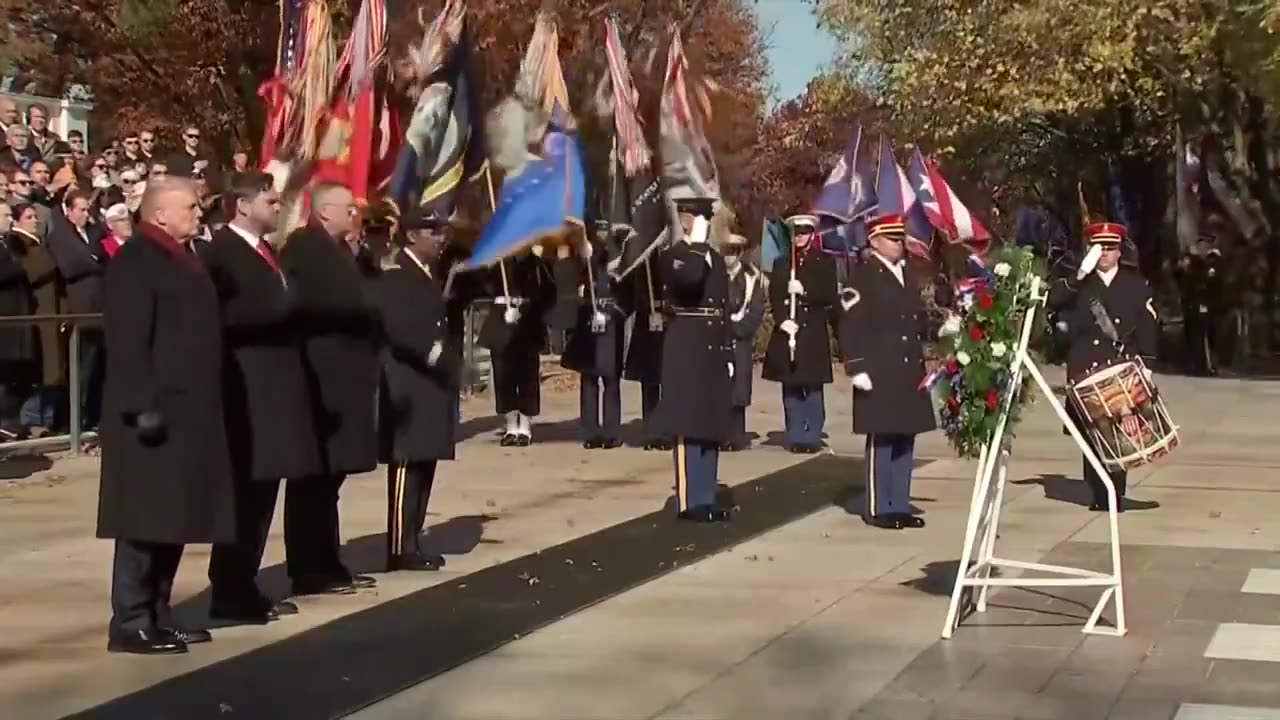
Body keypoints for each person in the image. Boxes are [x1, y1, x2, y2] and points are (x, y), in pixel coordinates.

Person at [96, 177, 234, 654]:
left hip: (187, 411)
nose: (199, 212)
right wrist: (141, 405)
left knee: (172, 518)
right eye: (191, 207)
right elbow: (129, 340)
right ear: (159, 215)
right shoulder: (137, 261)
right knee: (143, 519)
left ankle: (157, 611)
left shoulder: (184, 256)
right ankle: (130, 618)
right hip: (151, 414)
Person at [199, 172, 322, 622]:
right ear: (242, 205)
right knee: (245, 492)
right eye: (270, 200)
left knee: (263, 490)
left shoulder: (265, 250)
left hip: (276, 386)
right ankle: (229, 588)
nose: (278, 206)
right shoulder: (221, 254)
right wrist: (282, 311)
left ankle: (243, 581)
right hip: (247, 387)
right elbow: (220, 317)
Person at [279, 181, 379, 596]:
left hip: (345, 380)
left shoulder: (340, 250)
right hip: (322, 378)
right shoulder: (304, 249)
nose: (355, 216)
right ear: (324, 212)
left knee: (330, 479)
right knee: (313, 479)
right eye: (348, 209)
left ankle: (327, 558)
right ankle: (308, 565)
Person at [370, 207, 461, 572]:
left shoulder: (425, 274)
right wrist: (438, 356)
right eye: (431, 232)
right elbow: (401, 328)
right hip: (408, 383)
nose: (439, 239)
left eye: (440, 232)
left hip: (429, 386)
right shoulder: (397, 276)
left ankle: (413, 538)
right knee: (408, 466)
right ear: (410, 236)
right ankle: (399, 545)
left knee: (426, 463)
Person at [1049, 221, 1158, 512]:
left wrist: (1147, 364)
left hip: (1119, 366)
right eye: (1099, 248)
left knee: (1120, 432)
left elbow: (1147, 324)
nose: (1105, 253)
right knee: (1091, 434)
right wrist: (1079, 274)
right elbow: (1052, 301)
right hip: (1086, 366)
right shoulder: (1079, 282)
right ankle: (1098, 491)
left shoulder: (1135, 284)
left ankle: (1113, 494)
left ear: (1120, 251)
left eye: (1110, 248)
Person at [838, 214, 937, 530]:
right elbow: (850, 323)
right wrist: (856, 366)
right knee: (882, 438)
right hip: (879, 366)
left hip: (907, 367)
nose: (899, 244)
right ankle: (879, 507)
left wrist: (939, 327)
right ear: (874, 241)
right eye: (893, 239)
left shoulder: (906, 274)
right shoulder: (864, 276)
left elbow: (915, 318)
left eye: (900, 239)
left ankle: (899, 503)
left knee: (904, 436)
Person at [653, 200, 734, 522]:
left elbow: (722, 307)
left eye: (705, 218)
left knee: (709, 422)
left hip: (712, 345)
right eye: (696, 217)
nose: (702, 222)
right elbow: (689, 283)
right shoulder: (675, 257)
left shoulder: (713, 257)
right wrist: (697, 247)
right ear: (684, 220)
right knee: (688, 423)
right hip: (686, 343)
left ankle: (707, 495)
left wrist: (727, 351)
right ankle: (690, 500)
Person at [763, 214, 838, 453]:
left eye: (804, 233)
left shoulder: (824, 262)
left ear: (812, 235)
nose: (800, 237)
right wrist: (783, 320)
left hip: (812, 330)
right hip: (790, 329)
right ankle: (795, 434)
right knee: (792, 385)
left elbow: (829, 295)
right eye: (797, 233)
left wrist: (805, 291)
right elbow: (775, 295)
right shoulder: (782, 262)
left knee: (813, 386)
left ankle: (812, 434)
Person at [476, 250, 554, 446]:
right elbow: (484, 286)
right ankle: (511, 425)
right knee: (504, 377)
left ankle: (525, 426)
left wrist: (529, 309)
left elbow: (549, 294)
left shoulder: (538, 265)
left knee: (527, 376)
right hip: (502, 321)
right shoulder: (498, 262)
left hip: (528, 323)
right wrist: (503, 305)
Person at [562, 222, 627, 449]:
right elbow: (569, 282)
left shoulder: (621, 259)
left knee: (610, 378)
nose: (601, 234)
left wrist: (614, 313)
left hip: (610, 322)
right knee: (589, 379)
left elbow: (629, 294)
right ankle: (590, 432)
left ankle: (612, 431)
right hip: (589, 319)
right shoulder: (586, 258)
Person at [45, 190, 106, 429]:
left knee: (96, 369)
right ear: (68, 211)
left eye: (87, 209)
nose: (85, 214)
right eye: (80, 210)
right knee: (80, 370)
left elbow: (105, 254)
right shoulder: (60, 236)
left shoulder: (93, 233)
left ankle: (91, 417)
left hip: (99, 308)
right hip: (80, 308)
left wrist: (94, 257)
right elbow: (71, 266)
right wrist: (94, 260)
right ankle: (70, 422)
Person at [722, 232, 767, 451]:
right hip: (720, 338)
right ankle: (719, 434)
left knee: (738, 389)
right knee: (719, 388)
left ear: (739, 254)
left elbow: (756, 309)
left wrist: (739, 330)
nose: (728, 257)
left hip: (740, 338)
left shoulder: (751, 279)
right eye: (725, 252)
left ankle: (736, 435)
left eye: (732, 252)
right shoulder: (715, 277)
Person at [623, 253, 670, 451]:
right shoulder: (642, 264)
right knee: (649, 384)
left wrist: (664, 307)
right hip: (647, 327)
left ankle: (666, 431)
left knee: (667, 383)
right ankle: (651, 431)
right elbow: (636, 294)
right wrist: (651, 306)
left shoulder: (670, 259)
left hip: (668, 326)